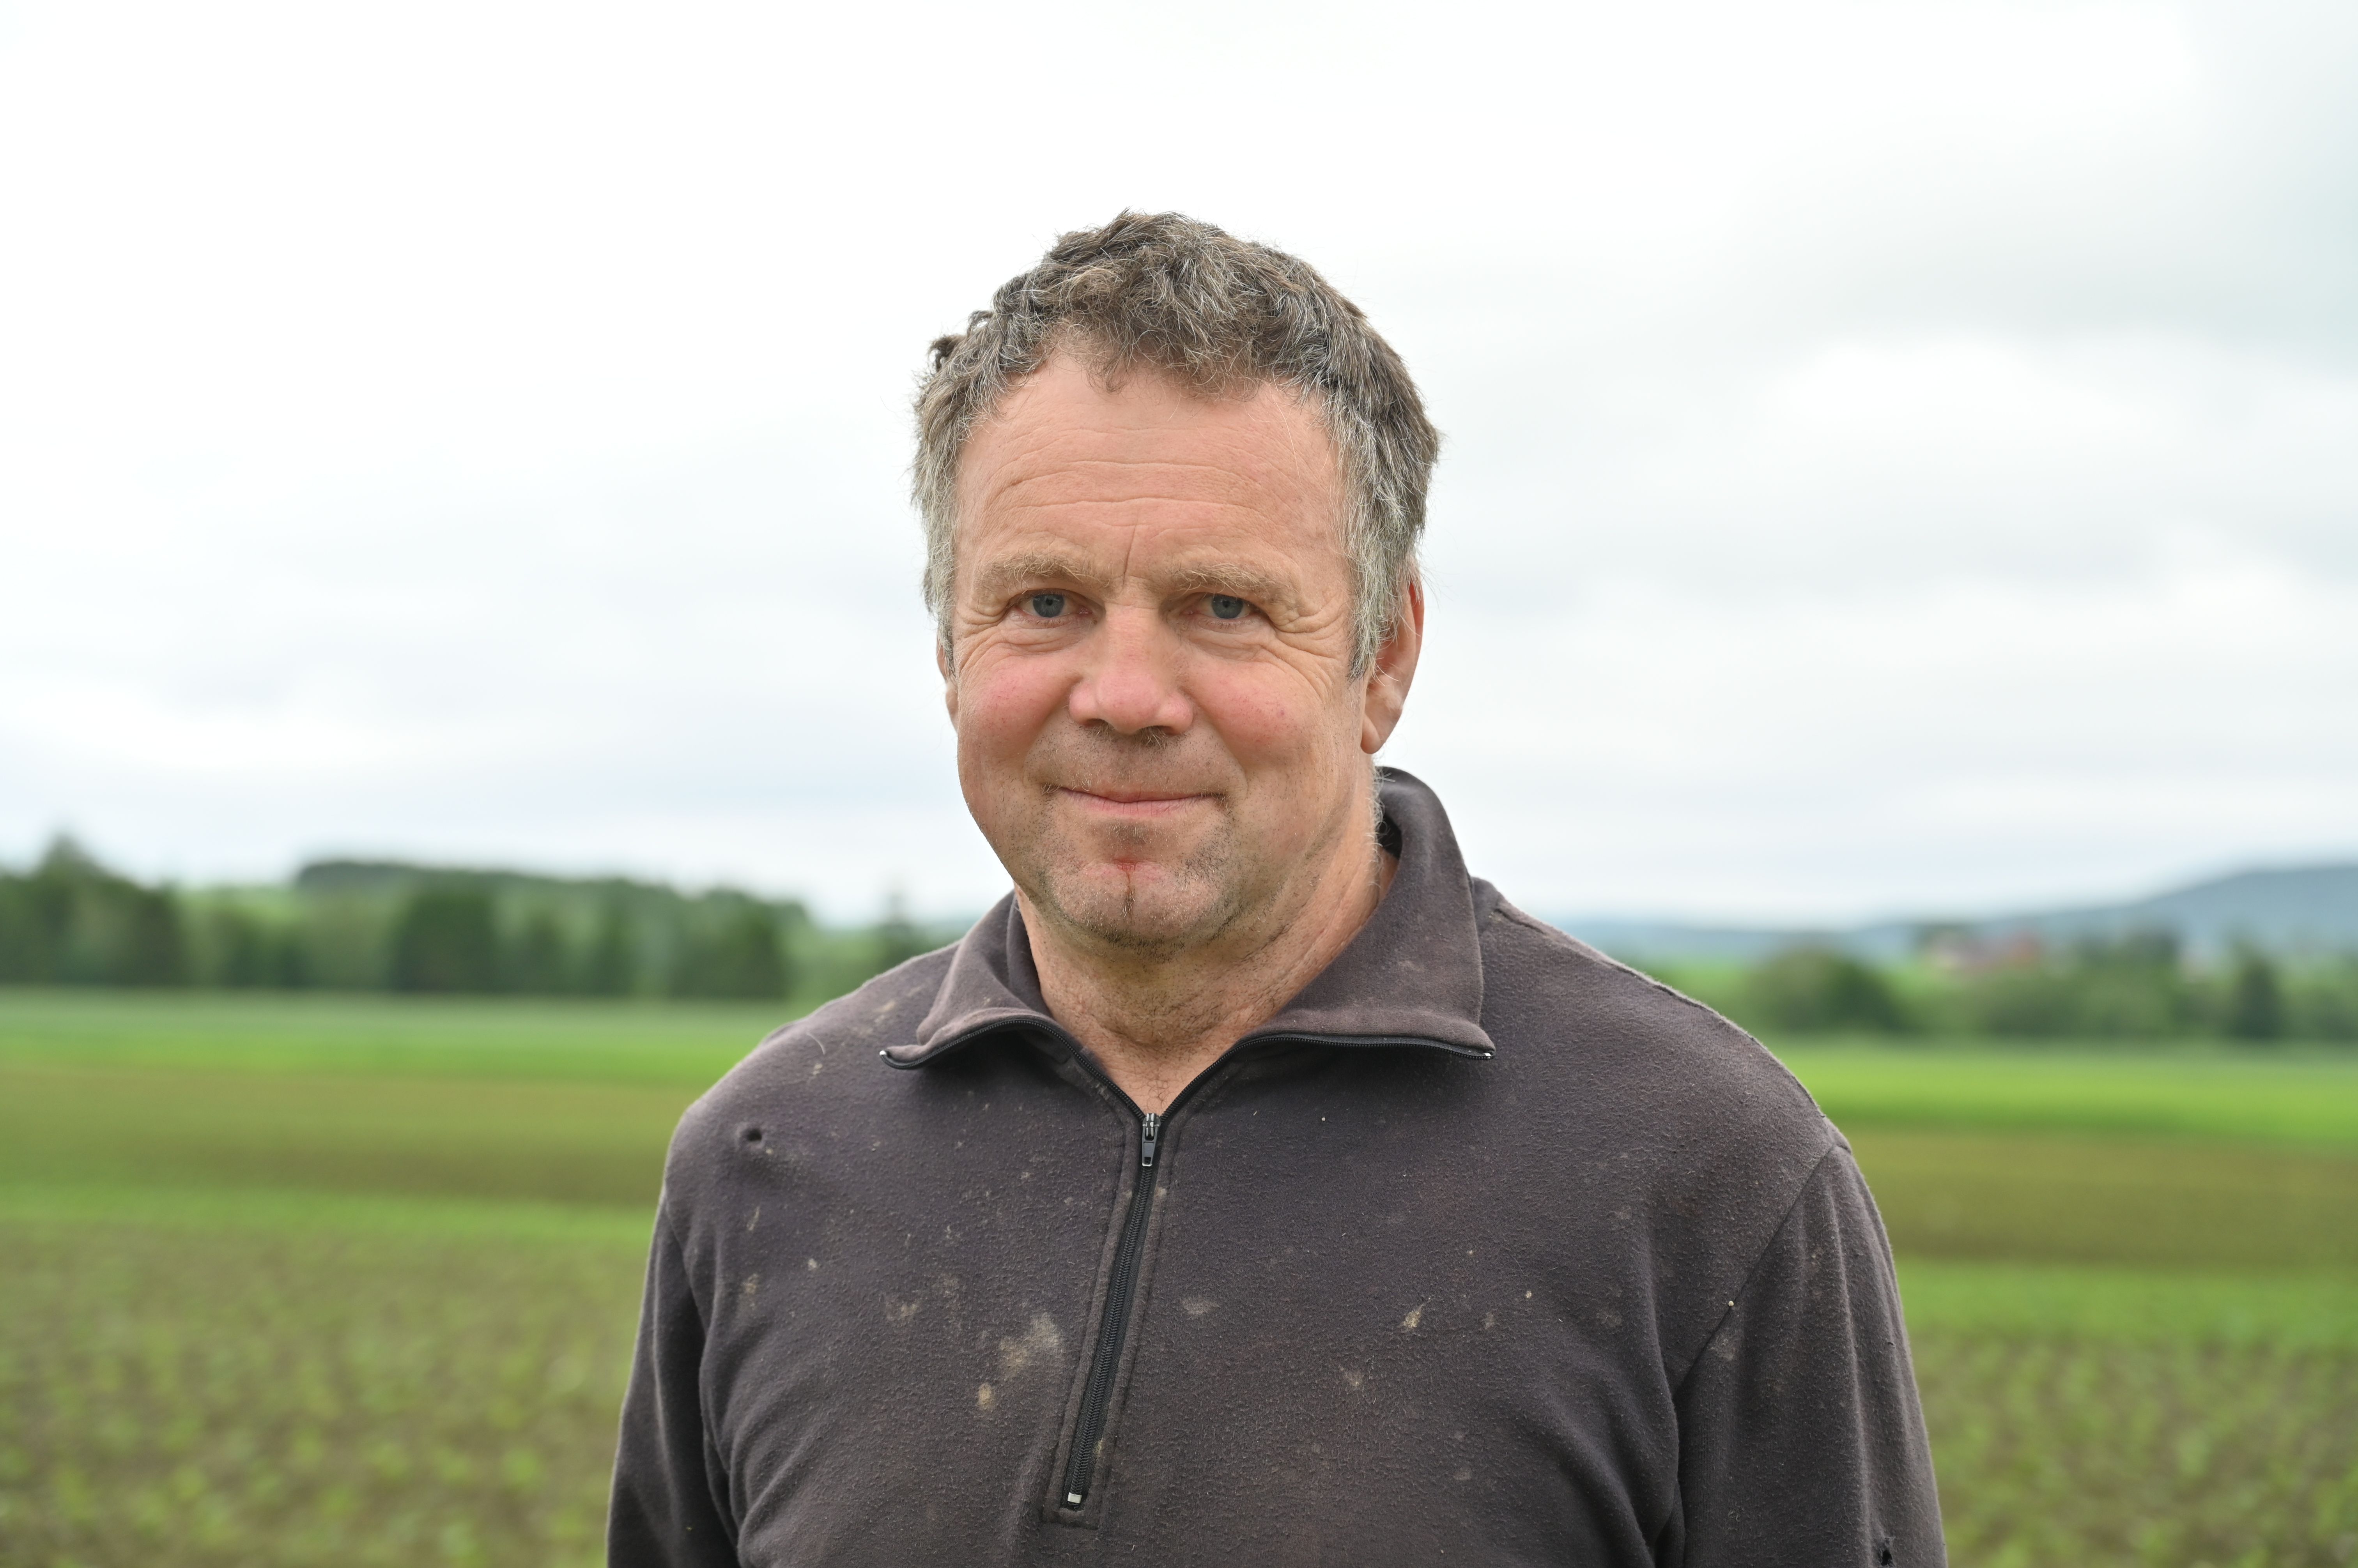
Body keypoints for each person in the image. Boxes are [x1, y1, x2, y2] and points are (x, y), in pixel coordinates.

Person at [607, 212, 1944, 1566]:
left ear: (1384, 657)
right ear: (950, 645)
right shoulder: (763, 1162)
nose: (1125, 696)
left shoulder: (1710, 1183)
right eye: (1046, 603)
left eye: (1225, 607)